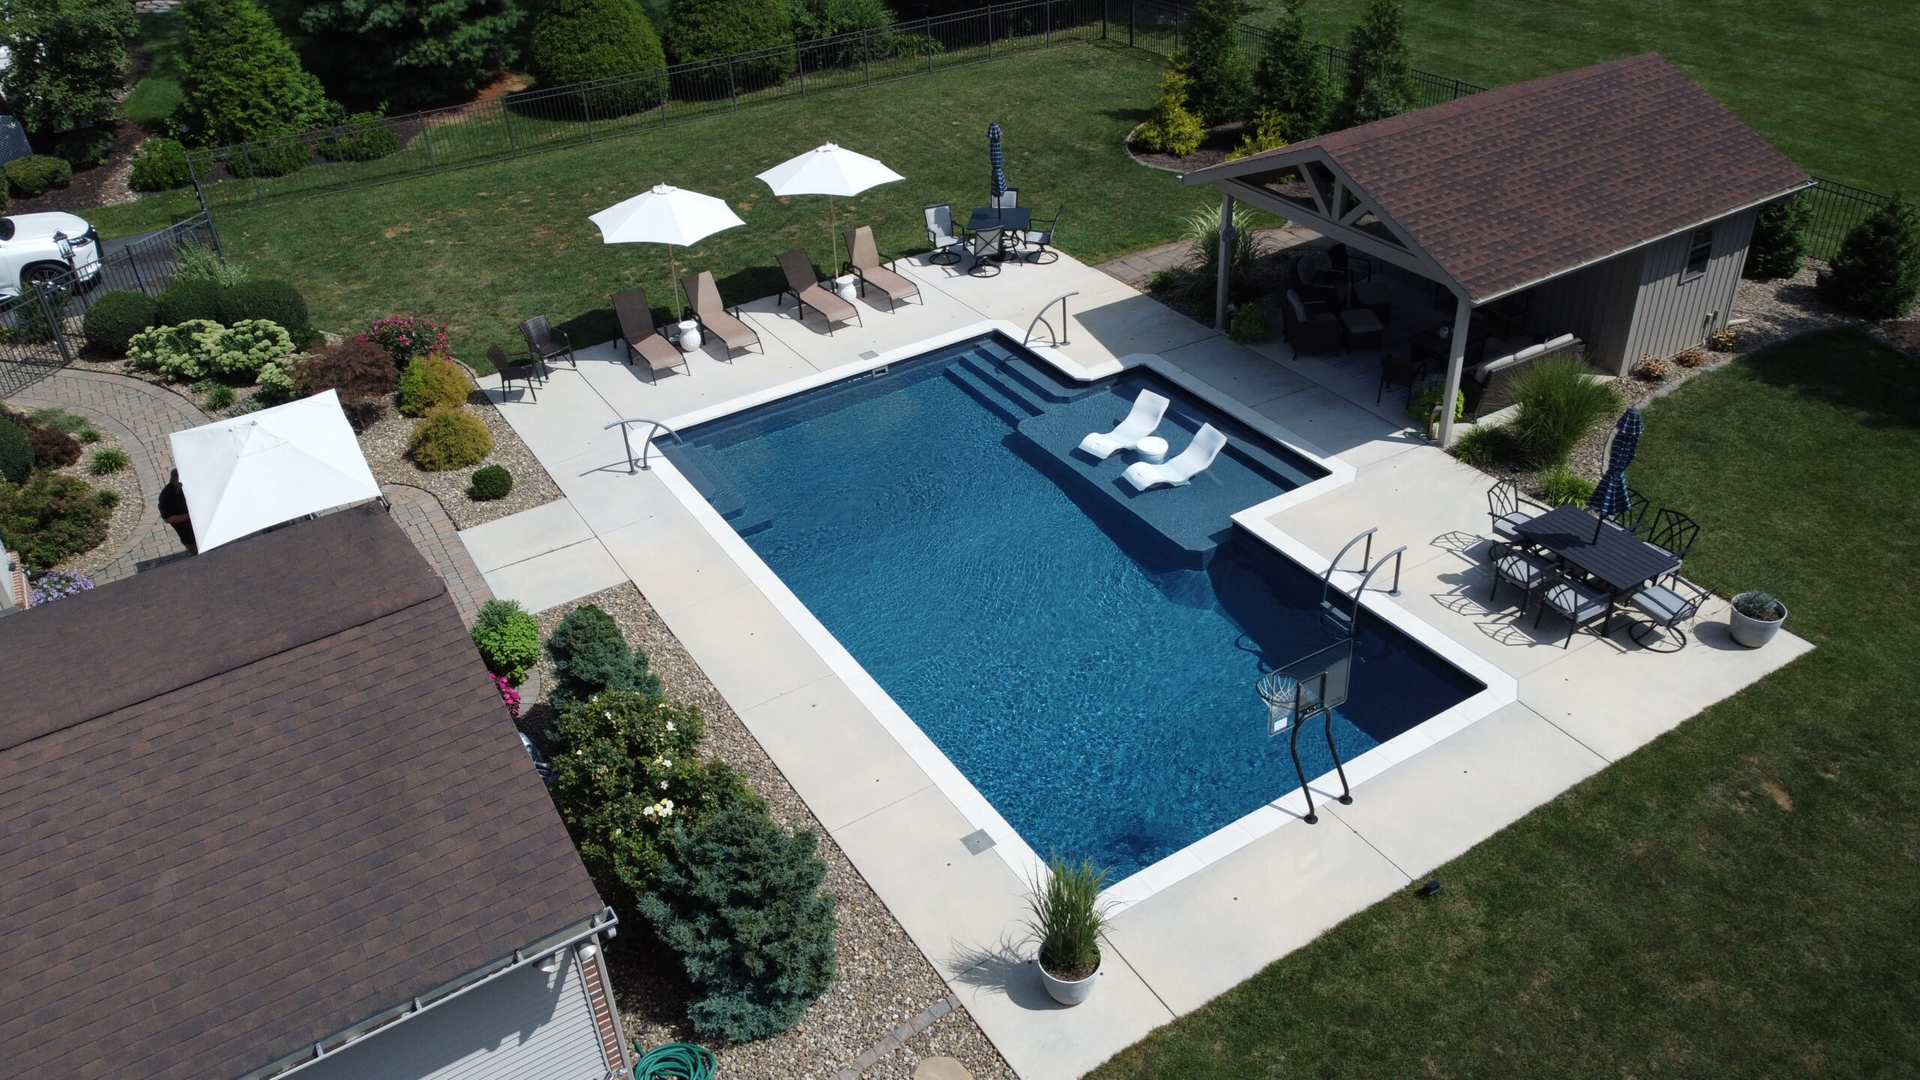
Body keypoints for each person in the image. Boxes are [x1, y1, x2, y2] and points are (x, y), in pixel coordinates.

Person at [159, 468, 196, 554]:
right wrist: (190, 515)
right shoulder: (166, 496)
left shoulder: (186, 486)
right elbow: (168, 519)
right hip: (187, 533)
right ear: (175, 479)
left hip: (200, 528)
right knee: (195, 553)